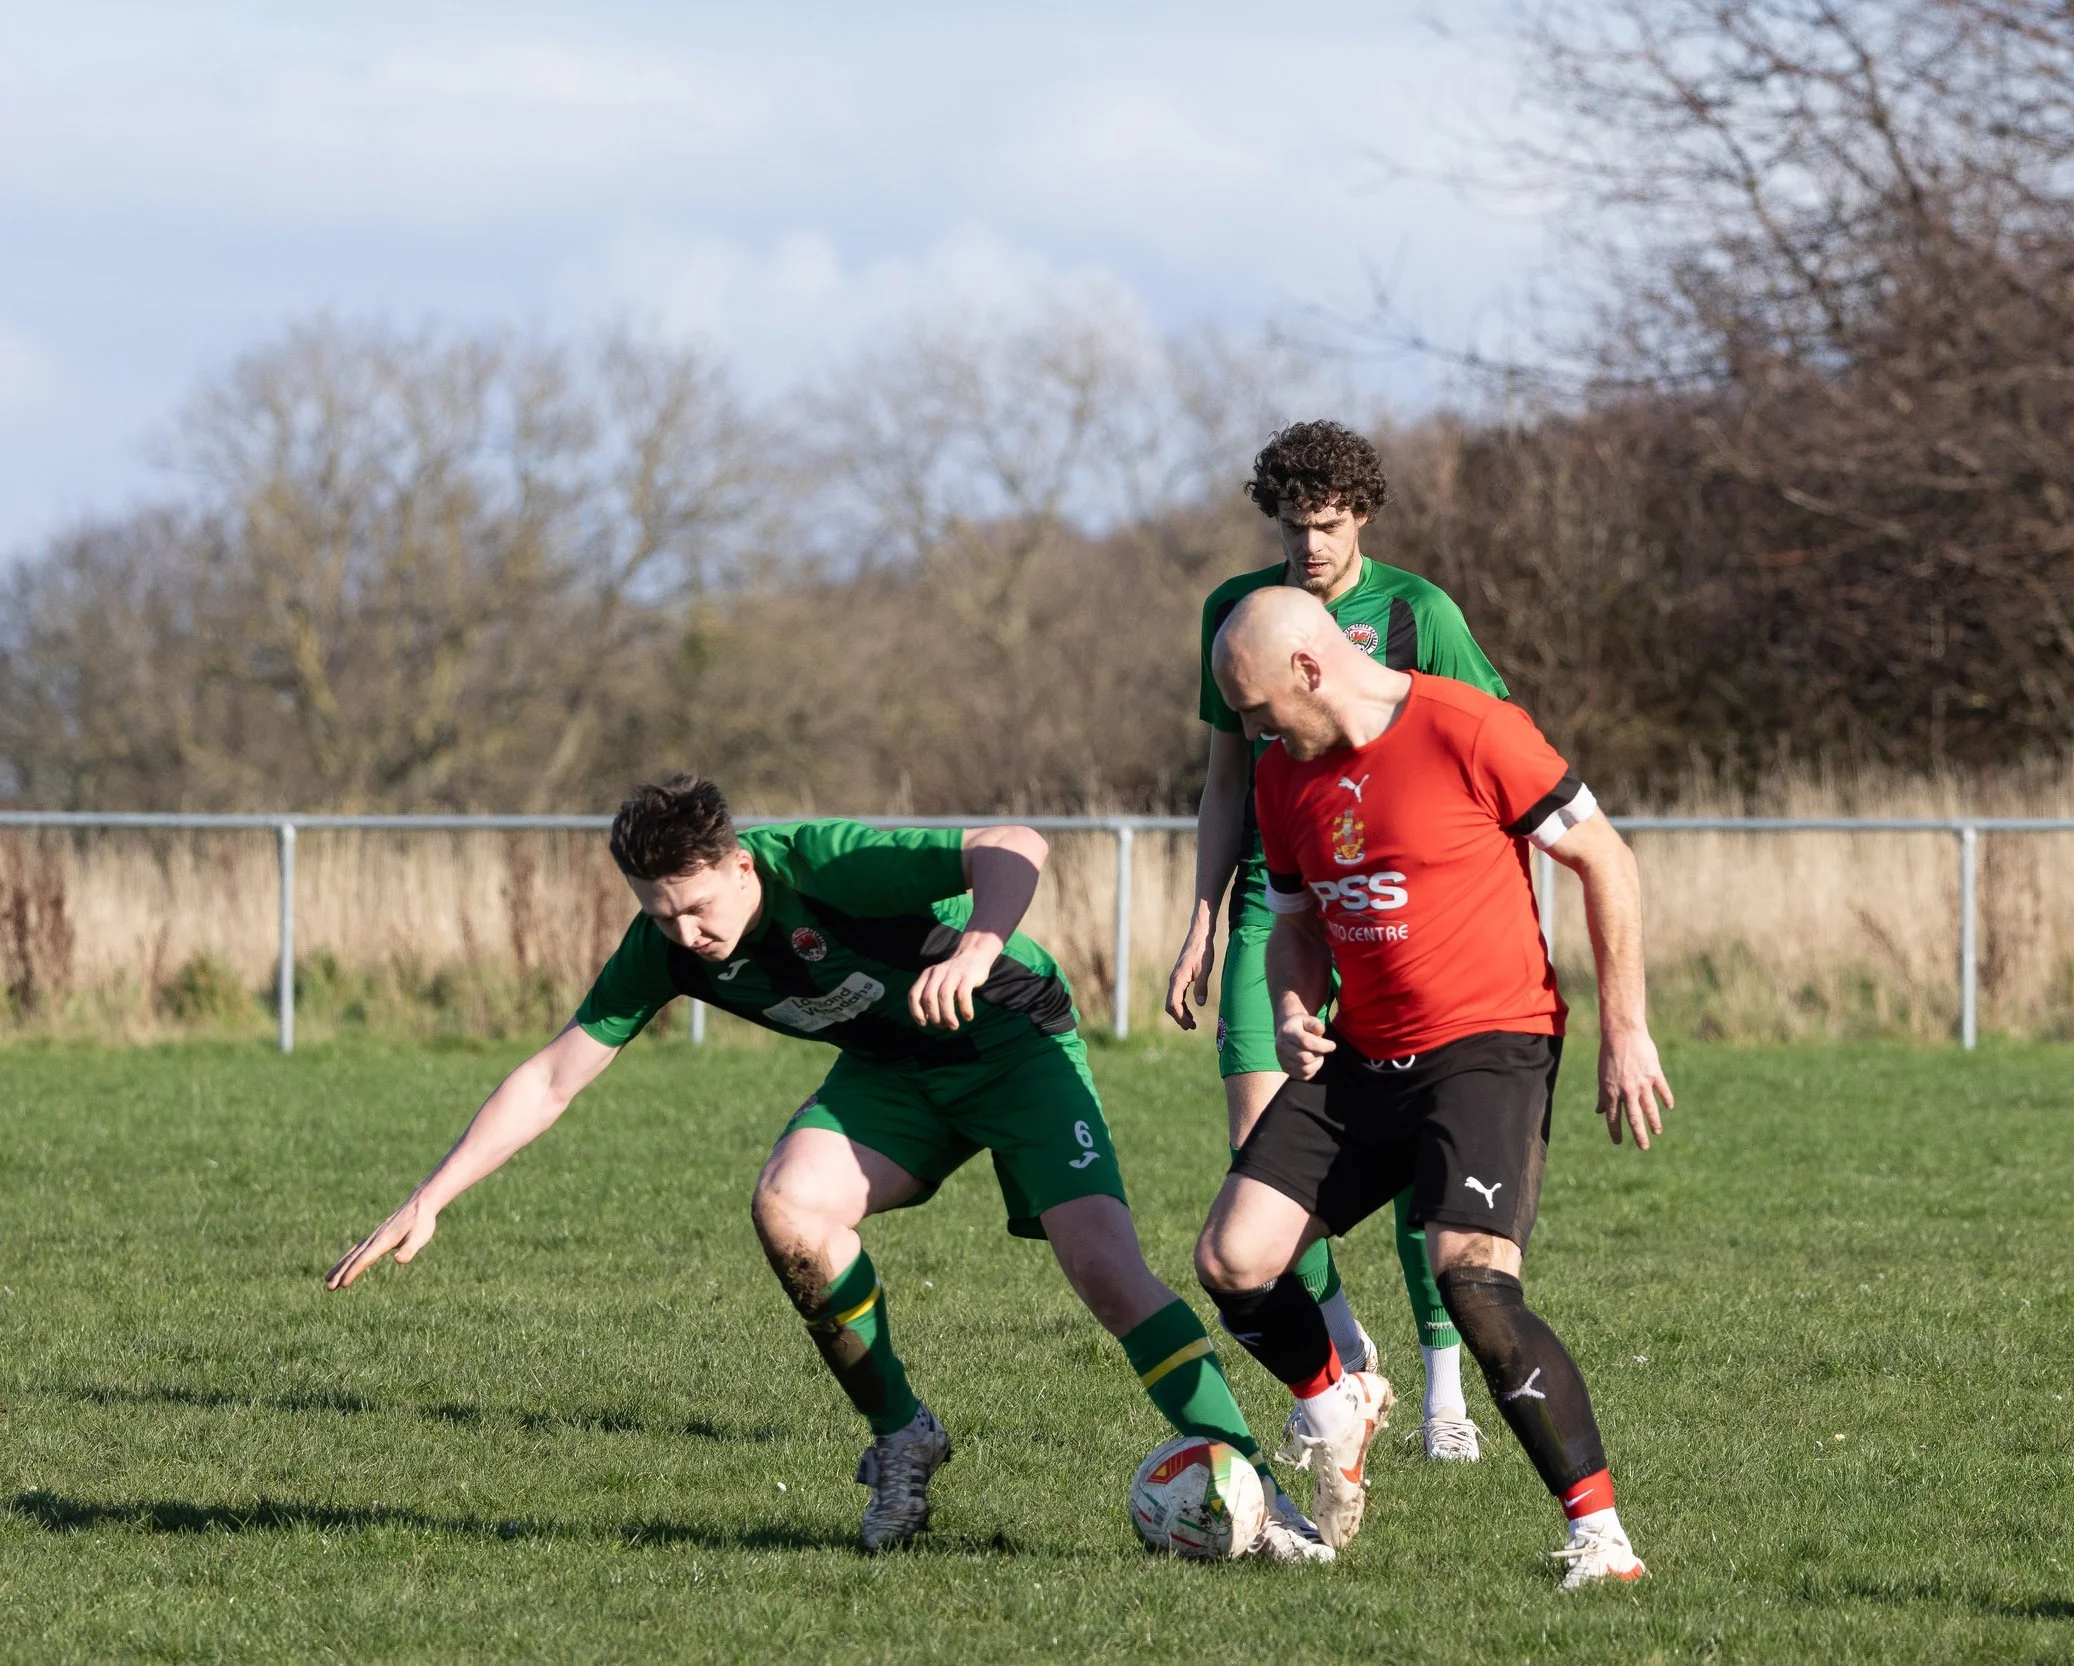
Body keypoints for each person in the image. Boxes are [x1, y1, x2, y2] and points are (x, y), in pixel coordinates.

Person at [326, 774, 1330, 1563]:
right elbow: (553, 1076)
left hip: (1009, 1044)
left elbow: (1014, 847)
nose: (686, 932)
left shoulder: (824, 865)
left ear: (737, 861)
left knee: (1107, 1273)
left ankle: (1258, 1494)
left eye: (696, 906)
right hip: (896, 1071)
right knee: (789, 1208)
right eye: (660, 912)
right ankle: (903, 1434)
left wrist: (978, 950)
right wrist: (430, 1198)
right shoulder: (668, 947)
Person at [1191, 588, 1671, 1588]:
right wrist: (1290, 1007)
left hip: (1488, 1048)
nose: (1251, 731)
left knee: (1473, 1280)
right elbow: (1292, 924)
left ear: (1311, 670)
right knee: (1233, 1260)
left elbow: (1605, 858)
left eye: (1257, 706)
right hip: (1365, 1056)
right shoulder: (1285, 778)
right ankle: (1341, 1402)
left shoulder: (1471, 727)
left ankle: (1600, 1537)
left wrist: (1623, 1027)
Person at [1165, 419, 1508, 1462]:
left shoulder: (1416, 611)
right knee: (1262, 1155)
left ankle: (1444, 1393)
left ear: (1360, 516)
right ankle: (1348, 1363)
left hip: (1389, 906)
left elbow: (1487, 748)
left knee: (1410, 1159)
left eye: (1327, 524)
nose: (1308, 546)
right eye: (1292, 524)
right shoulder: (1238, 612)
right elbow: (1228, 781)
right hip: (1279, 899)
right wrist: (1201, 917)